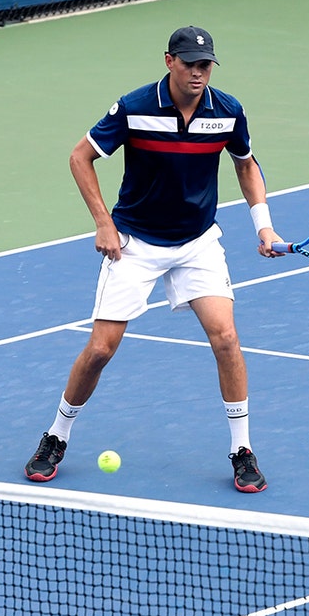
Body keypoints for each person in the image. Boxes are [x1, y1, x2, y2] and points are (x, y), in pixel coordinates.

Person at [24, 26, 283, 493]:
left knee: (226, 339)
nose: (199, 74)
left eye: (205, 66)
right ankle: (55, 436)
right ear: (169, 61)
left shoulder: (227, 111)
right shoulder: (135, 107)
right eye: (190, 65)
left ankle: (242, 449)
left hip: (197, 242)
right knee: (101, 349)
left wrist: (262, 224)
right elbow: (81, 157)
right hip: (136, 243)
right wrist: (104, 223)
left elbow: (245, 163)